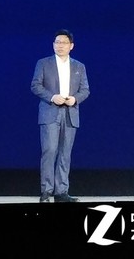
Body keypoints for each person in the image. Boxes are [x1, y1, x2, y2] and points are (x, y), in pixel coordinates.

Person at [31, 29, 90, 203]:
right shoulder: (43, 63)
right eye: (57, 42)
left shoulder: (79, 66)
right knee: (49, 151)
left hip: (70, 113)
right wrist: (52, 97)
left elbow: (85, 90)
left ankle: (62, 191)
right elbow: (35, 85)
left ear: (71, 46)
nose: (60, 45)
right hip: (50, 111)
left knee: (65, 153)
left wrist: (75, 99)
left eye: (63, 43)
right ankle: (46, 191)